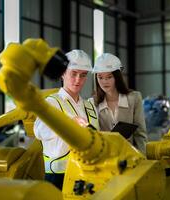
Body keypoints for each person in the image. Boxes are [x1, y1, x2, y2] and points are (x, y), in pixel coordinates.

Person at [34, 49, 99, 190]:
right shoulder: (51, 103)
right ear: (63, 73)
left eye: (83, 75)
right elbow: (38, 131)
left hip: (87, 173)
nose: (78, 80)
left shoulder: (90, 107)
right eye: (73, 74)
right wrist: (69, 123)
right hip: (58, 176)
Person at [92, 53, 148, 154]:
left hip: (130, 157)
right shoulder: (92, 103)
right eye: (100, 77)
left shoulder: (134, 98)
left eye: (109, 77)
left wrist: (142, 160)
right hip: (106, 159)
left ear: (117, 77)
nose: (104, 81)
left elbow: (140, 134)